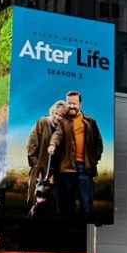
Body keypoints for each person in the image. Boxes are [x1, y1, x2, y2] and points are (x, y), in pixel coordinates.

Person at [53, 90, 104, 220]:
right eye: (69, 103)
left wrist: (94, 160)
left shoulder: (90, 121)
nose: (71, 106)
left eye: (74, 103)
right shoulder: (63, 121)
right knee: (67, 205)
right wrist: (53, 144)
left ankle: (86, 231)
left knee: (86, 204)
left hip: (85, 168)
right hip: (67, 168)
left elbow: (99, 142)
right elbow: (57, 135)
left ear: (80, 104)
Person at [25, 100, 68, 217]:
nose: (58, 117)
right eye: (56, 114)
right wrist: (35, 164)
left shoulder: (63, 131)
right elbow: (32, 144)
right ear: (52, 111)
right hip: (40, 170)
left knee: (52, 207)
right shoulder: (42, 123)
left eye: (61, 115)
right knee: (35, 202)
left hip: (55, 174)